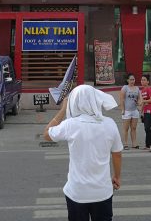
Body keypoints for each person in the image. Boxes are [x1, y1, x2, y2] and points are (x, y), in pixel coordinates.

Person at [44, 85, 123, 221]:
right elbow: (117, 154)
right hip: (102, 192)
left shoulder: (70, 125)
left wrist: (62, 110)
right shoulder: (110, 124)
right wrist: (117, 176)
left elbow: (46, 134)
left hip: (77, 193)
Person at [119, 73, 141, 149]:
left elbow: (139, 98)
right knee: (126, 128)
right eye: (131, 79)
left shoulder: (137, 88)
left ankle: (134, 143)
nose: (132, 81)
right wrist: (123, 109)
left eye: (133, 79)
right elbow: (121, 99)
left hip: (134, 111)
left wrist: (139, 103)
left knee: (134, 128)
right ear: (127, 80)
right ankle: (125, 143)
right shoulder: (125, 88)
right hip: (127, 111)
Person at [139, 75, 151, 152]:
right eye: (141, 80)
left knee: (147, 128)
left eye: (144, 80)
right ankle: (147, 145)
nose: (142, 81)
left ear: (148, 81)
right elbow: (143, 103)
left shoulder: (149, 89)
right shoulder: (142, 91)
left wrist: (143, 101)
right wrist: (141, 112)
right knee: (146, 128)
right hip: (145, 112)